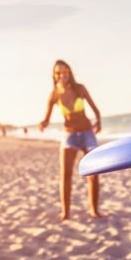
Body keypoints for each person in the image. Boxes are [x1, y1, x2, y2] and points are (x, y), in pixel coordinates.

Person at [39, 60, 103, 220]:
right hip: (70, 136)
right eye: (58, 73)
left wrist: (98, 122)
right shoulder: (54, 94)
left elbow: (95, 109)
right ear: (54, 76)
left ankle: (94, 210)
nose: (62, 75)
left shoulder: (80, 88)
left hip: (87, 132)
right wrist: (43, 123)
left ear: (70, 72)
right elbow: (46, 118)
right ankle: (65, 213)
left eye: (65, 71)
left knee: (94, 173)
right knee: (65, 174)